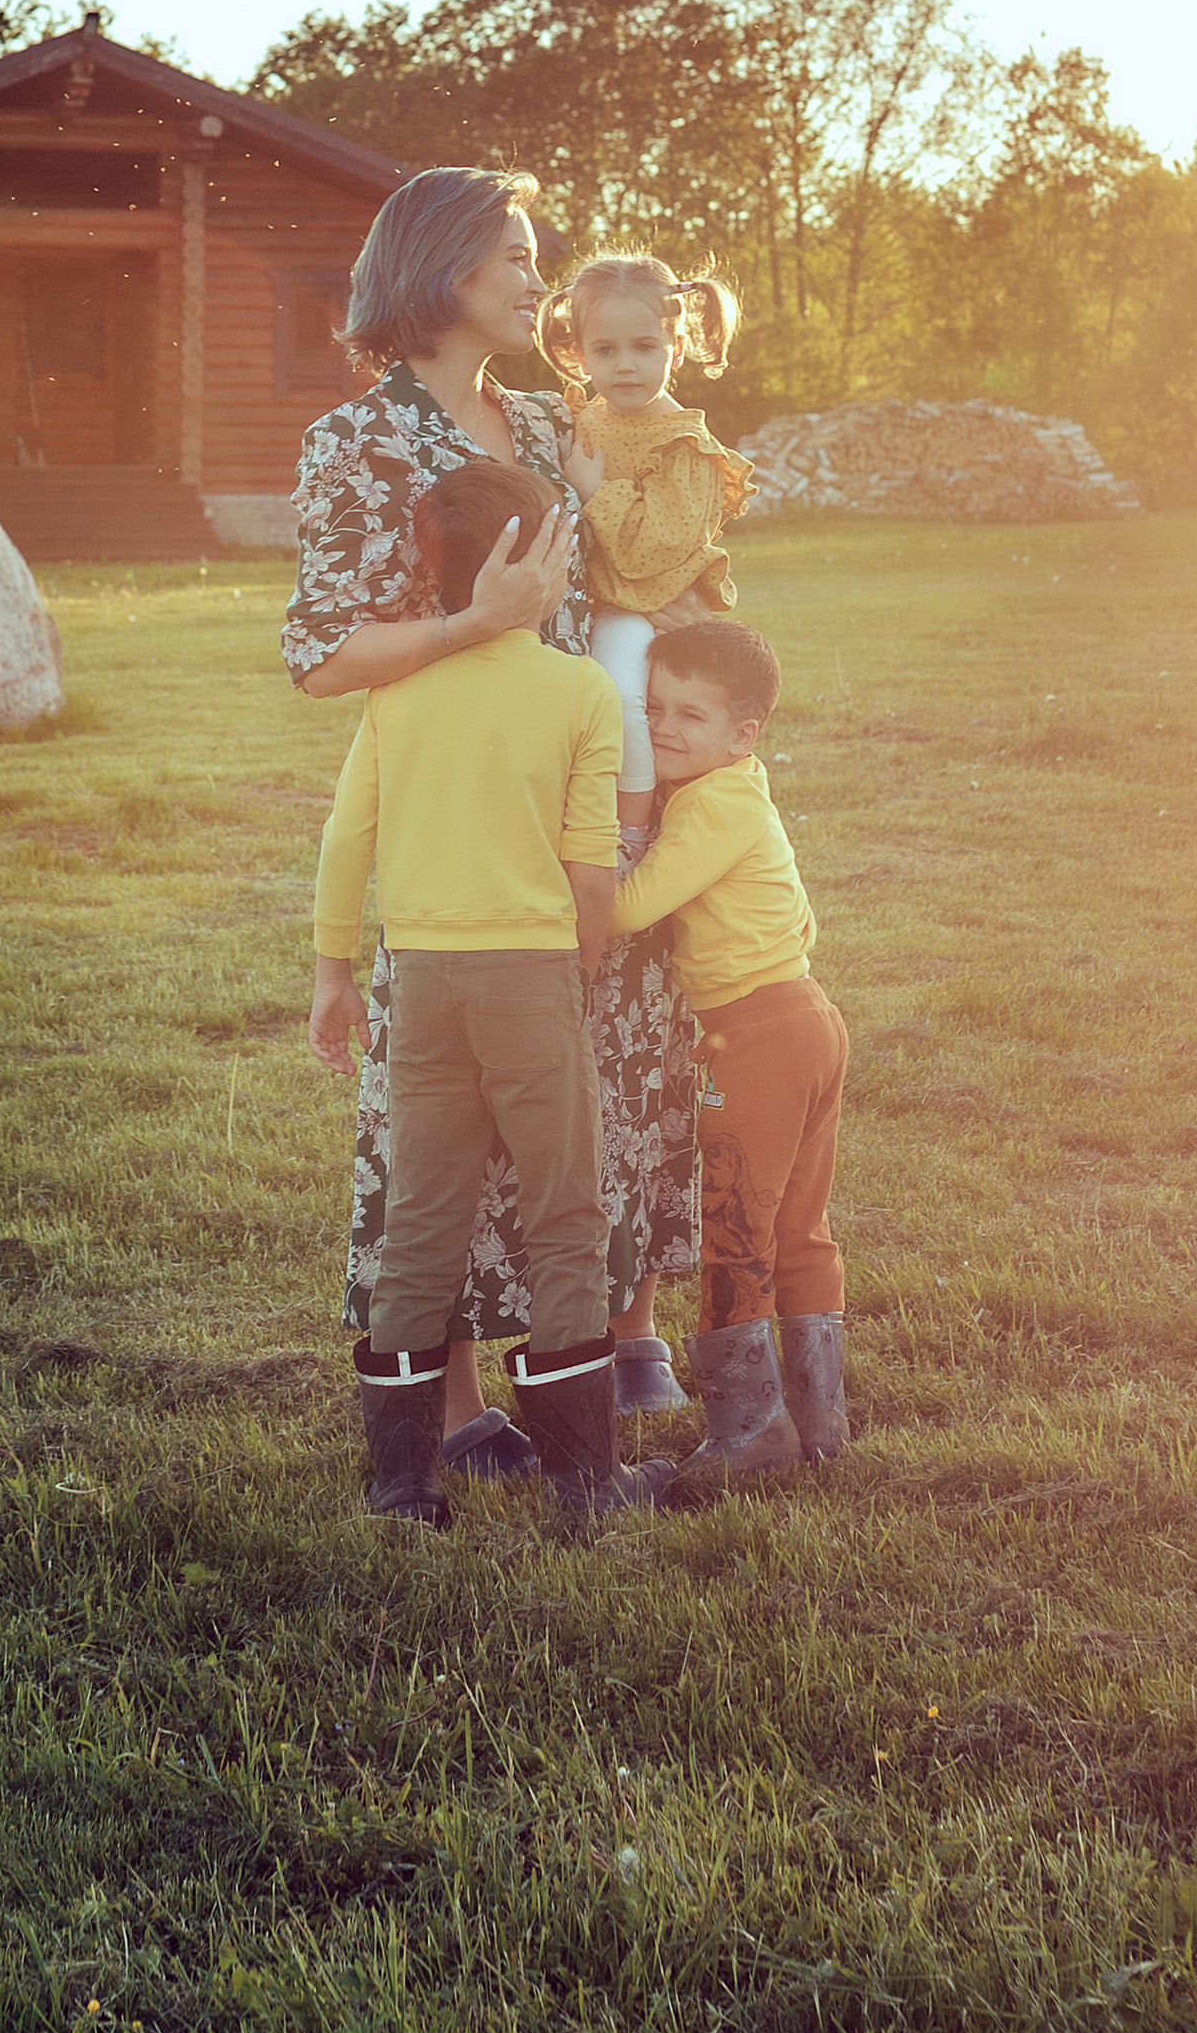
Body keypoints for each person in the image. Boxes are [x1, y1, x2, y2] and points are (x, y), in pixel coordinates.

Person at [283, 165, 700, 1463]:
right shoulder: (359, 440)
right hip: (456, 825)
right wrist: (475, 626)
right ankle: (455, 1408)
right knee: (444, 1118)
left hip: (583, 798)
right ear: (442, 266)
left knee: (602, 1088)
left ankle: (591, 1357)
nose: (538, 278)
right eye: (514, 254)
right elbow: (324, 653)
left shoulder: (547, 412)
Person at [312, 460, 672, 1529]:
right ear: (539, 563)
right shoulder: (578, 693)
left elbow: (346, 842)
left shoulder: (398, 688)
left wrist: (336, 973)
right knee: (566, 1223)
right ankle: (586, 1488)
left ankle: (402, 1488)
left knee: (420, 1225)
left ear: (435, 572)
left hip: (421, 983)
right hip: (530, 983)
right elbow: (591, 871)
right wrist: (584, 968)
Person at [613, 618, 851, 1503]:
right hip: (806, 1015)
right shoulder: (743, 791)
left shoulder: (709, 805)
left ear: (744, 734)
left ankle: (748, 1429)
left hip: (754, 1036)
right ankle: (820, 1421)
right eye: (654, 708)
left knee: (738, 1228)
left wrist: (574, 871)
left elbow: (633, 906)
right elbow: (795, 918)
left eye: (692, 715)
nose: (665, 728)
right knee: (798, 1224)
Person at [537, 252, 751, 844]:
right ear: (580, 354)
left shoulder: (684, 443)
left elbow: (645, 553)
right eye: (605, 351)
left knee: (619, 691)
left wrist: (595, 489)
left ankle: (627, 833)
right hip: (589, 602)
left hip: (644, 606)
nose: (625, 366)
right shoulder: (585, 419)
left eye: (644, 348)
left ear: (674, 349)